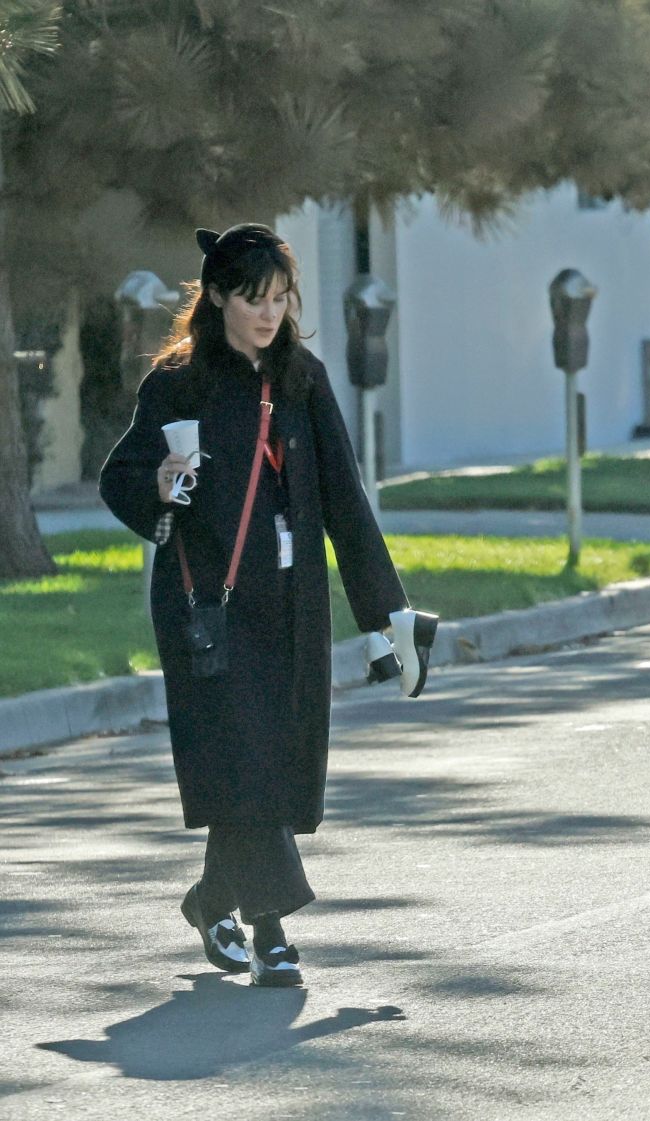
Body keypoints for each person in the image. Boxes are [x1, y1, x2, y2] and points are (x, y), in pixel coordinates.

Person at [100, 224, 437, 987]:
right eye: (254, 298)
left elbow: (346, 504)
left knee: (263, 768)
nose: (269, 313)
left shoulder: (304, 378)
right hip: (209, 610)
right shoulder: (177, 382)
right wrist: (160, 484)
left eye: (281, 297)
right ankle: (273, 932)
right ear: (216, 295)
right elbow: (119, 477)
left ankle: (211, 898)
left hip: (291, 606)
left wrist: (389, 611)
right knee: (246, 759)